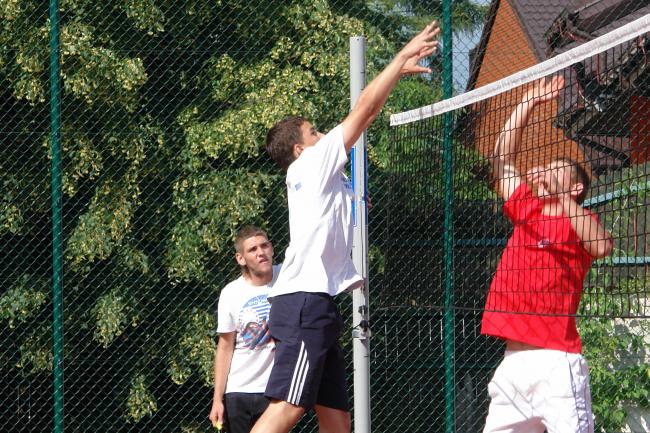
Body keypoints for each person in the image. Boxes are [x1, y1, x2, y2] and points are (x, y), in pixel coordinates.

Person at [249, 21, 441, 433]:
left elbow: (366, 112)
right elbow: (365, 110)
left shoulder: (320, 174)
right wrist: (400, 59)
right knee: (287, 408)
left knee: (337, 420)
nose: (322, 134)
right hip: (304, 303)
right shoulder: (311, 163)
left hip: (316, 303)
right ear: (300, 148)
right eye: (313, 131)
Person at [481, 75, 614, 433]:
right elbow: (501, 160)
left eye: (558, 169)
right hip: (513, 364)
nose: (547, 171)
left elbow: (601, 246)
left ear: (576, 186)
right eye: (548, 167)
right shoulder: (527, 208)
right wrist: (528, 102)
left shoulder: (580, 221)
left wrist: (563, 198)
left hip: (557, 363)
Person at [209, 226, 279, 433]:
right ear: (240, 258)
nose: (261, 252)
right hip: (238, 392)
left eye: (264, 245)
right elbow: (225, 347)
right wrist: (217, 400)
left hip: (276, 391)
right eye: (253, 249)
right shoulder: (231, 293)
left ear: (272, 248)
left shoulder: (287, 277)